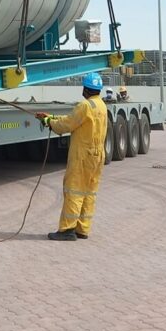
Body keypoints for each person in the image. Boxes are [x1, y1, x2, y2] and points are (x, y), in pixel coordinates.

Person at [36, 72, 108, 241]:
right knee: (89, 192)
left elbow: (66, 125)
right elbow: (73, 120)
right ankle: (82, 229)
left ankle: (67, 230)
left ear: (85, 89)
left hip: (83, 155)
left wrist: (48, 122)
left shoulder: (85, 106)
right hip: (97, 155)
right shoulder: (101, 105)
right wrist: (51, 117)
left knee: (74, 190)